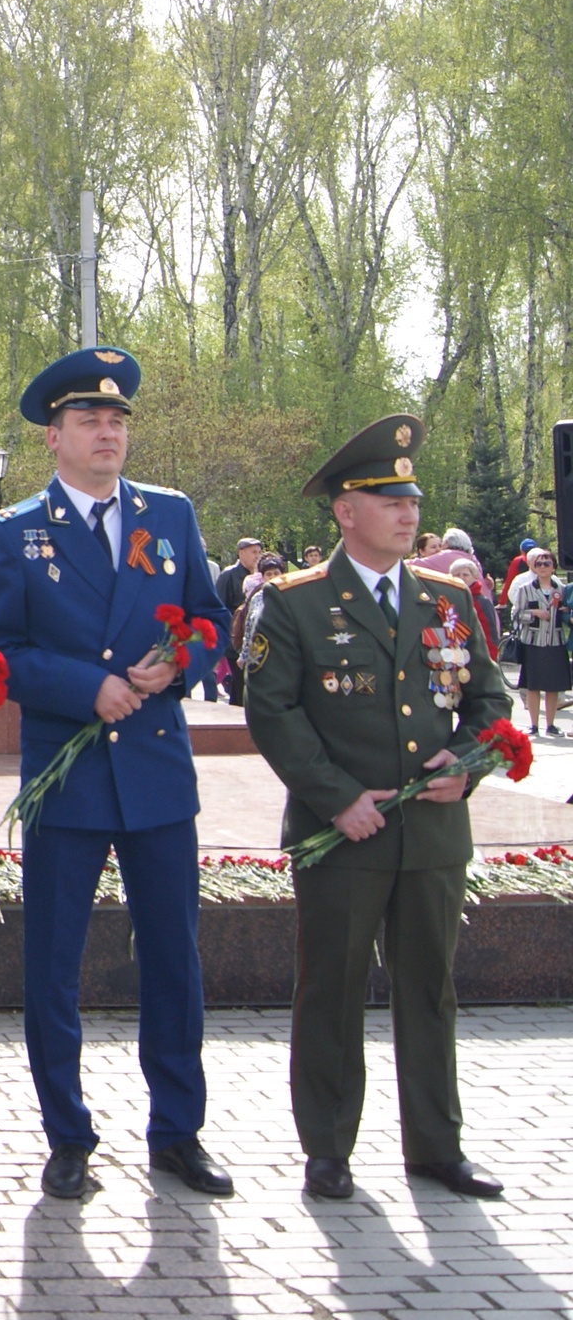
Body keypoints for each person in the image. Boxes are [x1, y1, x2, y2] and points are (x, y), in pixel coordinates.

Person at [0, 347, 234, 1201]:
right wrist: (89, 686)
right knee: (54, 961)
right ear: (55, 437)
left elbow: (210, 620)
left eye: (117, 420)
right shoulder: (16, 531)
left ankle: (178, 1130)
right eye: (90, 420)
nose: (108, 432)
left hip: (155, 775)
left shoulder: (171, 514)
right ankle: (68, 1132)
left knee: (173, 960)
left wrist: (177, 661)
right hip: (68, 780)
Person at [242, 415, 511, 1200]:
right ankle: (327, 1147)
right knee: (332, 986)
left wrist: (468, 766)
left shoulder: (449, 598)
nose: (408, 512)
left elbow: (489, 703)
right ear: (345, 510)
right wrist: (336, 800)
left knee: (430, 990)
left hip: (431, 832)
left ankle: (436, 1145)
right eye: (388, 498)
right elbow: (273, 713)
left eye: (413, 498)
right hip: (343, 835)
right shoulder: (295, 603)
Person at [509, 549, 568, 736]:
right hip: (533, 642)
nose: (543, 567)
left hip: (555, 641)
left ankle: (550, 724)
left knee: (553, 686)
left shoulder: (561, 590)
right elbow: (516, 615)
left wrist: (565, 611)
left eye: (547, 563)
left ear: (553, 568)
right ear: (533, 567)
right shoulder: (525, 589)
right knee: (533, 685)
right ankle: (534, 725)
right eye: (539, 564)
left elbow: (566, 614)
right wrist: (533, 613)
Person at [226, 554, 286, 708]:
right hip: (259, 655)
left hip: (284, 655)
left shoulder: (292, 596)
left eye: (276, 573)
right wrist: (244, 655)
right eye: (269, 574)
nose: (272, 577)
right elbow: (248, 629)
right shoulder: (257, 597)